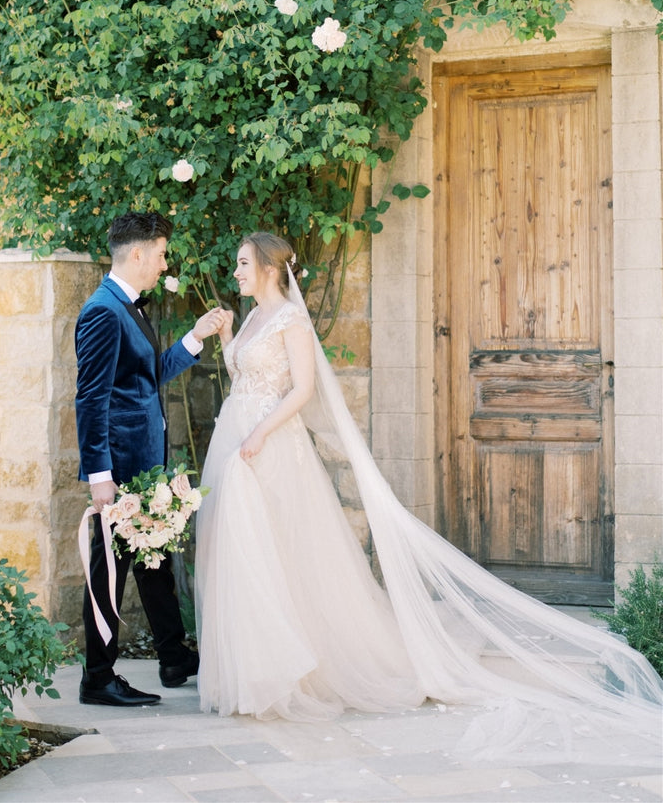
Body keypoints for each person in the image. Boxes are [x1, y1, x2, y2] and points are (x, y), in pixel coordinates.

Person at [195, 232, 663, 765]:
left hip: (269, 448)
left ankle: (291, 672)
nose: (235, 271)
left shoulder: (291, 321)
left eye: (242, 263)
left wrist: (260, 433)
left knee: (281, 557)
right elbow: (242, 374)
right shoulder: (251, 316)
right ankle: (253, 671)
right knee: (245, 555)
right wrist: (229, 334)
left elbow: (301, 390)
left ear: (271, 269)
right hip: (236, 440)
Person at [76, 211, 232, 707]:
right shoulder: (103, 311)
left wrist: (196, 337)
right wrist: (100, 477)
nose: (166, 264)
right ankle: (97, 678)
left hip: (144, 466)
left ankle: (172, 656)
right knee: (110, 569)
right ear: (138, 253)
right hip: (119, 469)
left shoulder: (129, 308)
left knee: (154, 559)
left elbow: (143, 379)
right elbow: (91, 399)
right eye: (162, 254)